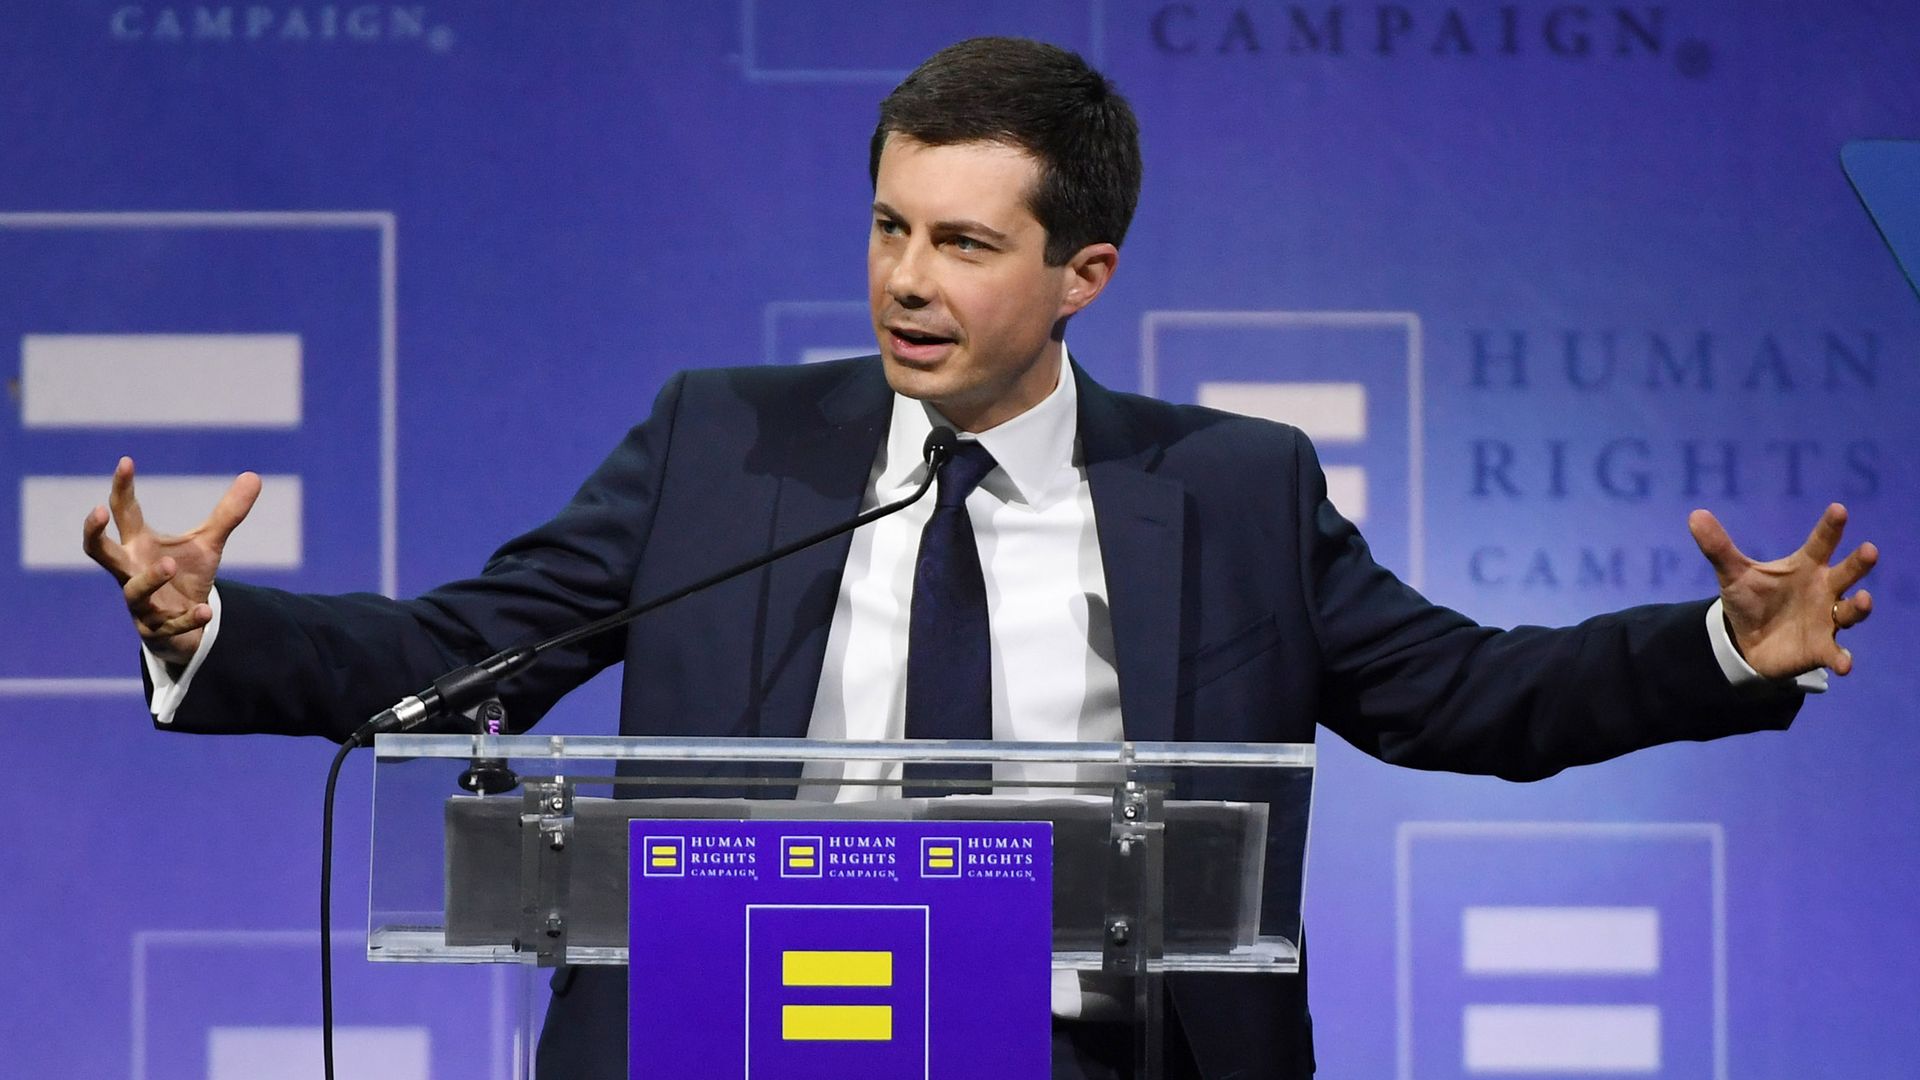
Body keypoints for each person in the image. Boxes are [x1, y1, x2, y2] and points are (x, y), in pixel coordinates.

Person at [83, 37, 1875, 1080]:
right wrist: (210, 624)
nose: (904, 282)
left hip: (1091, 1050)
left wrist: (1716, 649)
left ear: (1082, 273)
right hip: (733, 1036)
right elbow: (477, 648)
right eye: (884, 226)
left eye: (960, 241)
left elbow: (1464, 695)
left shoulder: (1230, 486)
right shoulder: (729, 439)